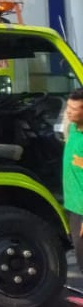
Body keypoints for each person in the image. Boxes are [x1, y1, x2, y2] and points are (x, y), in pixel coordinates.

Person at [64, 89, 83, 268]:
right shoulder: (72, 129)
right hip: (74, 205)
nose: (69, 111)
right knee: (79, 254)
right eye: (68, 107)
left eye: (74, 109)